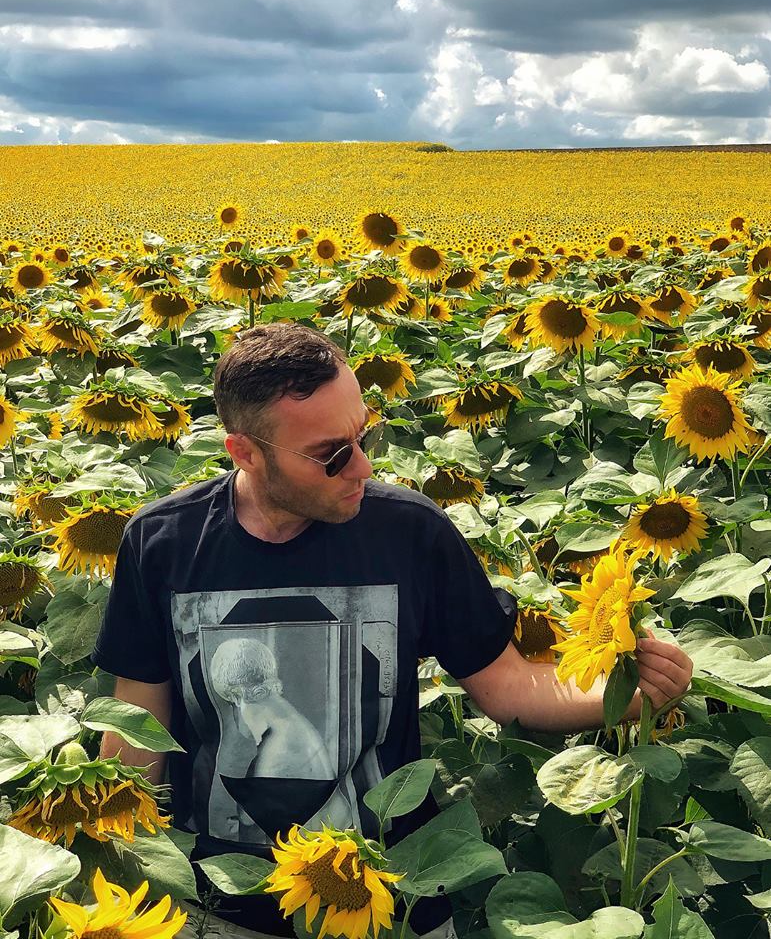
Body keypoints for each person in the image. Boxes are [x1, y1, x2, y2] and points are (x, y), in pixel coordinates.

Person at [93, 323, 693, 939]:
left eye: (364, 435)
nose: (363, 465)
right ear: (245, 452)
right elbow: (139, 724)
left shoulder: (408, 534)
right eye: (331, 453)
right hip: (220, 904)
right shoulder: (164, 544)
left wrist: (628, 693)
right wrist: (109, 855)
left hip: (391, 894)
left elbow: (509, 687)